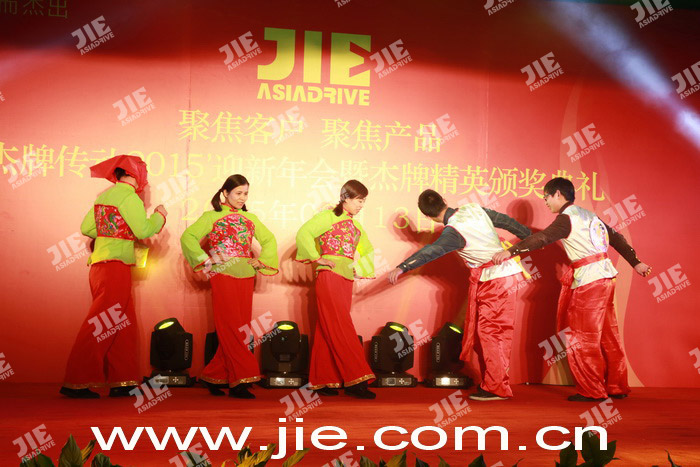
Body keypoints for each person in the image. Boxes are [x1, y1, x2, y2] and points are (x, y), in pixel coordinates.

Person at [492, 177, 651, 402]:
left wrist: (511, 251)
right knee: (608, 335)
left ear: (557, 194)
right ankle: (616, 386)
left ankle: (592, 390)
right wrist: (637, 263)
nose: (546, 202)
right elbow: (617, 238)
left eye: (546, 197)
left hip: (589, 281)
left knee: (583, 337)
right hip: (605, 277)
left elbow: (542, 238)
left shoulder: (567, 219)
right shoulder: (589, 216)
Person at [388, 189, 532, 401]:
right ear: (444, 200)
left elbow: (431, 251)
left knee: (491, 334)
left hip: (497, 279)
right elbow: (506, 221)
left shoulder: (453, 232)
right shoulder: (473, 209)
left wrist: (403, 267)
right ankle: (493, 383)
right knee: (486, 334)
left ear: (428, 216)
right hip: (496, 278)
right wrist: (530, 237)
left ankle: (496, 388)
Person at [60, 155, 167, 399]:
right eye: (143, 172)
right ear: (134, 174)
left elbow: (87, 228)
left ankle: (123, 381)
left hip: (100, 265)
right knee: (102, 323)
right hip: (115, 266)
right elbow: (144, 229)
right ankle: (76, 381)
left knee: (122, 323)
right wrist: (159, 215)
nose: (145, 178)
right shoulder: (129, 197)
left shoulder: (104, 197)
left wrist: (112, 230)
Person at [181, 174, 278, 399]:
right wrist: (207, 260)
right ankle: (240, 379)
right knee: (231, 327)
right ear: (225, 193)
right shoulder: (211, 216)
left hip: (246, 275)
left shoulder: (250, 218)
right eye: (238, 193)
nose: (242, 198)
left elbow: (269, 240)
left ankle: (212, 376)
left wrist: (262, 261)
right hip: (223, 274)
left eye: (246, 194)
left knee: (239, 329)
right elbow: (188, 236)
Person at [295, 180, 376, 399]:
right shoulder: (328, 217)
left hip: (346, 279)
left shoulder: (356, 226)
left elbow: (368, 249)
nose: (361, 205)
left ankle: (323, 380)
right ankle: (356, 378)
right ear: (345, 198)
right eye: (358, 200)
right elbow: (304, 233)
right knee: (341, 326)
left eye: (364, 201)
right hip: (329, 277)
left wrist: (361, 268)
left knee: (327, 328)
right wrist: (317, 258)